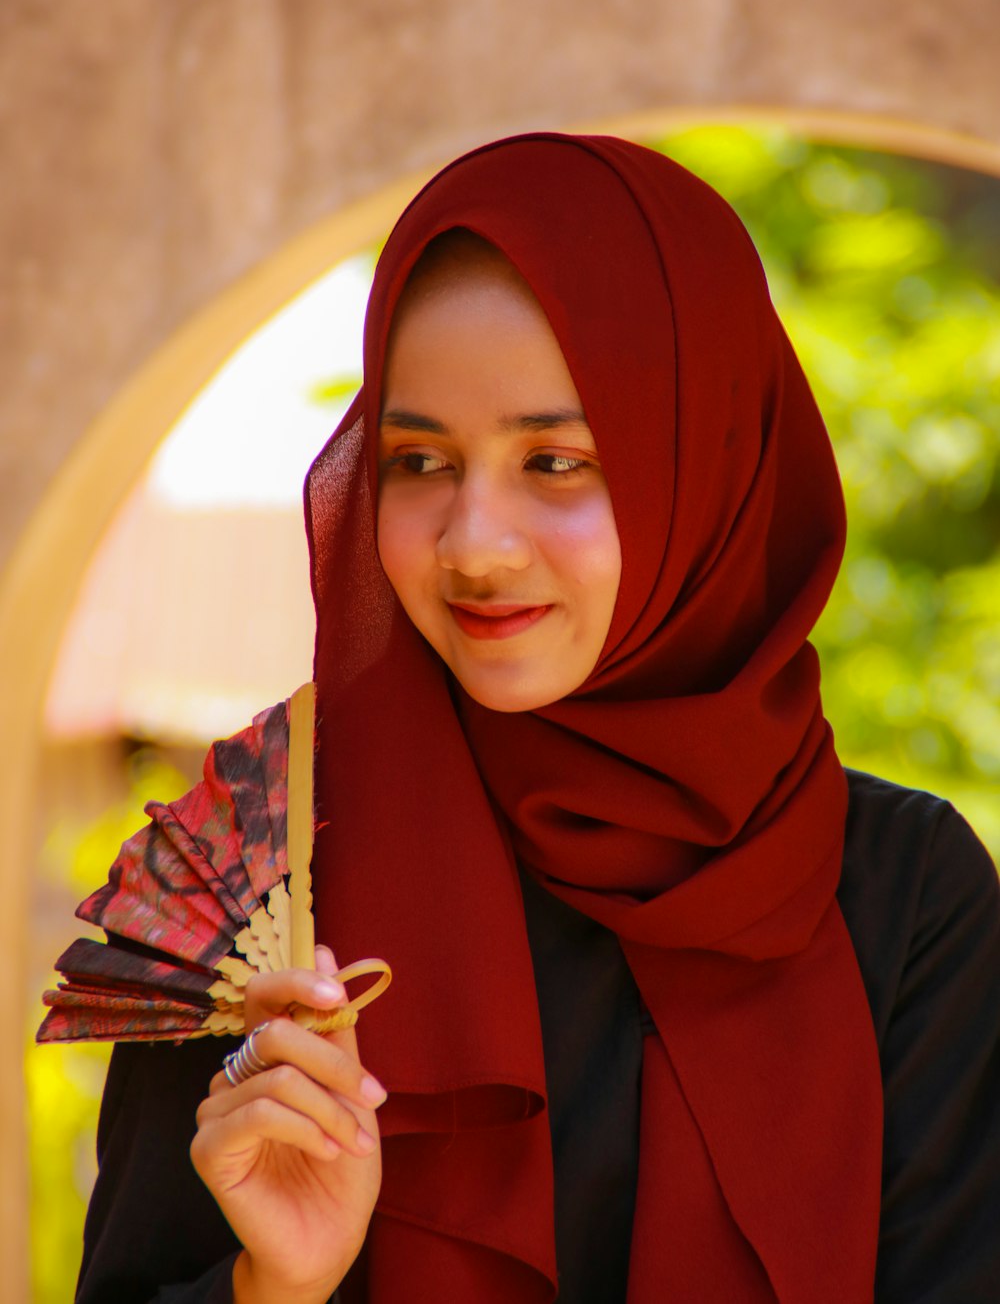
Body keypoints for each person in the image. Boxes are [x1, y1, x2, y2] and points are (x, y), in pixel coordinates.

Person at [74, 133, 999, 1303]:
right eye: (418, 462)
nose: (473, 546)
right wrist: (275, 1289)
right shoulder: (260, 898)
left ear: (698, 470)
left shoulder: (903, 901)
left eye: (555, 460)